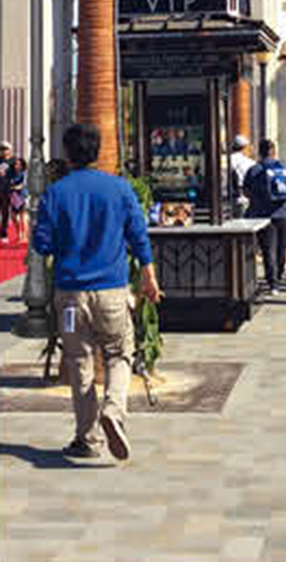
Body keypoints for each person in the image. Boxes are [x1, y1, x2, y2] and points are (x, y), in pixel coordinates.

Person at [33, 123, 162, 461]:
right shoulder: (119, 189)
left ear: (67, 152)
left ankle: (87, 438)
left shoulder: (56, 193)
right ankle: (114, 410)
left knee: (79, 361)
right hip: (111, 291)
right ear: (97, 150)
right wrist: (148, 275)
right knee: (120, 353)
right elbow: (138, 235)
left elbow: (41, 243)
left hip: (71, 294)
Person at [244, 140, 286, 295]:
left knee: (268, 251)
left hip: (264, 216)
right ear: (274, 152)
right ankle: (279, 276)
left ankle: (273, 284)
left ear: (260, 152)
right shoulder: (285, 168)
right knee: (282, 249)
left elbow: (246, 191)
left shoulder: (254, 170)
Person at [230, 135, 256, 214]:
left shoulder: (228, 160)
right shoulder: (250, 163)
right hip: (245, 197)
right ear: (244, 147)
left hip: (229, 198)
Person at [8, 155, 29, 244]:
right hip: (13, 196)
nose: (17, 166)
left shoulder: (24, 173)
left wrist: (16, 187)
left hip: (21, 196)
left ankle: (24, 235)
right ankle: (18, 233)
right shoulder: (11, 173)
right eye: (16, 164)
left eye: (19, 164)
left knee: (22, 216)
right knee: (13, 216)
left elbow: (24, 184)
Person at [0, 140, 13, 243]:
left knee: (5, 212)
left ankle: (3, 233)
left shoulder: (13, 161)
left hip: (7, 190)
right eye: (1, 149)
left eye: (5, 149)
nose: (3, 151)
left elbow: (18, 175)